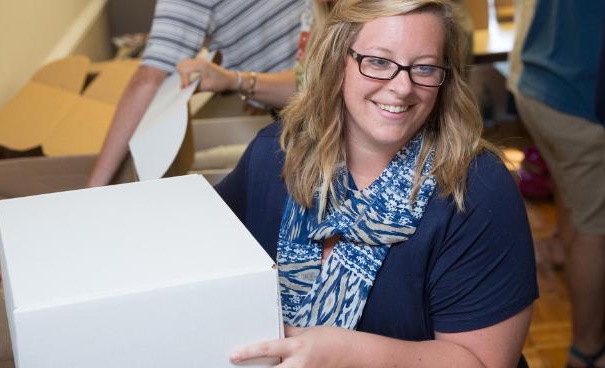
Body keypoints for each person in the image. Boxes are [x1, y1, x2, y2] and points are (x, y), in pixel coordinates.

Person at [214, 0, 538, 366]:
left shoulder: (478, 190)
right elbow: (203, 251)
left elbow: (484, 362)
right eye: (379, 62)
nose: (402, 87)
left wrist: (346, 355)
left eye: (425, 67)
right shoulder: (275, 152)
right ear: (337, 61)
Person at [87, 0, 305, 187]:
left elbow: (148, 79)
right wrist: (252, 86)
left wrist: (91, 191)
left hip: (311, 110)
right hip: (304, 90)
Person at [510, 1, 605, 367]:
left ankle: (570, 261)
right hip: (578, 98)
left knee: (574, 203)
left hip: (541, 81)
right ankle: (587, 350)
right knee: (594, 227)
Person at [174, 0, 334, 108]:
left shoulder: (353, 11)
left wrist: (237, 82)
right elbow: (305, 84)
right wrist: (235, 81)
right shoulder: (315, 9)